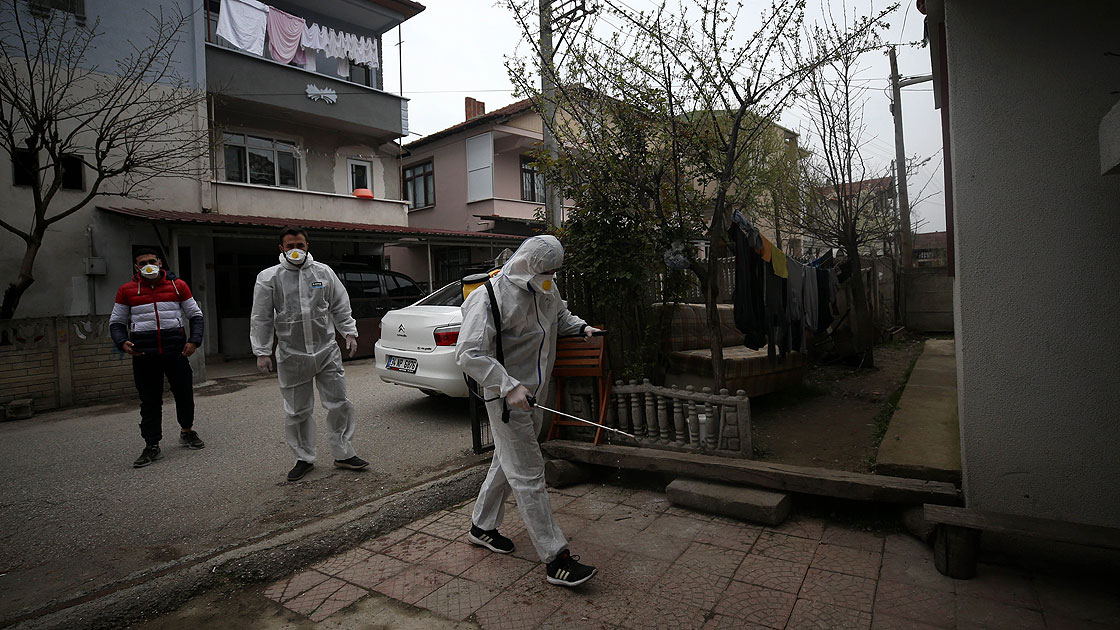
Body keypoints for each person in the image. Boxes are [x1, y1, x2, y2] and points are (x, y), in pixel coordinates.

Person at [456, 235, 601, 587]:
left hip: (536, 394)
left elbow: (560, 316)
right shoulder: (489, 297)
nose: (551, 277)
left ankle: (481, 526)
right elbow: (469, 354)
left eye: (554, 271)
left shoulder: (545, 287)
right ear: (527, 264)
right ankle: (556, 558)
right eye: (546, 270)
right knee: (529, 473)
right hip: (506, 399)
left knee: (507, 461)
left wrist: (581, 328)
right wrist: (508, 386)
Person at [250, 227, 368, 482]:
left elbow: (340, 304)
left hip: (326, 350)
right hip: (292, 355)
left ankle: (343, 453)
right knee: (297, 410)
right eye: (290, 246)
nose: (296, 250)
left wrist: (349, 332)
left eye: (300, 245)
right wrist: (262, 351)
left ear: (307, 246)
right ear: (281, 248)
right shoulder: (270, 277)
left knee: (339, 402)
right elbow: (261, 317)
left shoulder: (323, 273)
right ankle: (303, 458)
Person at [109, 247, 205, 468]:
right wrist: (122, 342)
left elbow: (195, 315)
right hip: (144, 355)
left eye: (152, 261)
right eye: (143, 263)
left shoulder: (177, 286)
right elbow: (116, 322)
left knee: (184, 394)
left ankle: (187, 431)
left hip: (176, 352)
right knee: (150, 401)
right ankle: (151, 444)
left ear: (160, 263)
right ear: (136, 267)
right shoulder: (127, 290)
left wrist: (194, 341)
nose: (148, 266)